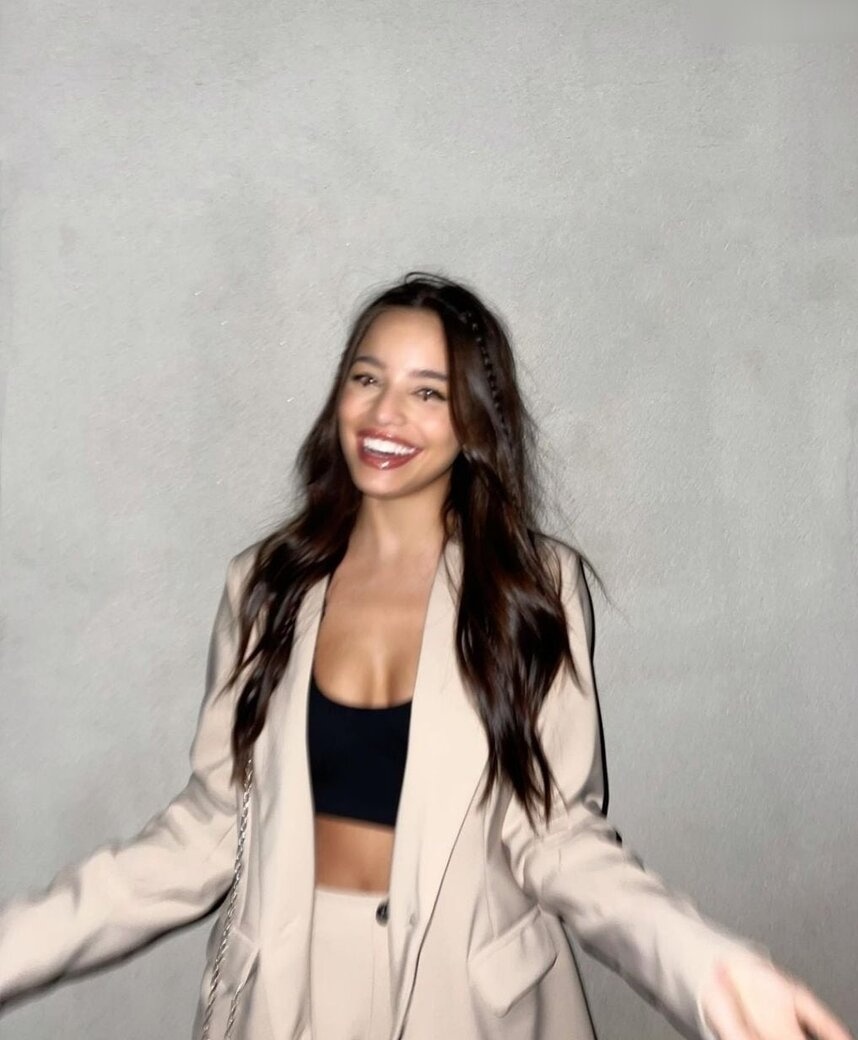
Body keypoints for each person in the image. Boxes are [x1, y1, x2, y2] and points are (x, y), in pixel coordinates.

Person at [0, 273, 852, 1040]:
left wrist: (700, 963)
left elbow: (556, 835)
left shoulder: (533, 588)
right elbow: (209, 828)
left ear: (474, 421)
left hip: (468, 999)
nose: (384, 414)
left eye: (428, 392)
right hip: (283, 993)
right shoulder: (265, 584)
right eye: (366, 378)